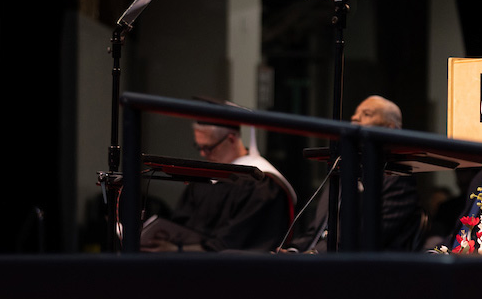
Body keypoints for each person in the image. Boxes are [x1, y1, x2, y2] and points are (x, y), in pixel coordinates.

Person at [142, 99, 297, 252]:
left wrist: (179, 250)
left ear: (231, 139)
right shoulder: (205, 178)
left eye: (208, 148)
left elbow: (237, 243)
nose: (203, 154)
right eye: (199, 147)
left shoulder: (260, 183)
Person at [286, 95, 422, 253]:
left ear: (389, 128)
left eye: (366, 114)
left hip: (361, 268)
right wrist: (293, 251)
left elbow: (364, 237)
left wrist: (313, 255)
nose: (354, 118)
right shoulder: (344, 169)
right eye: (355, 114)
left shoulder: (397, 178)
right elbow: (317, 232)